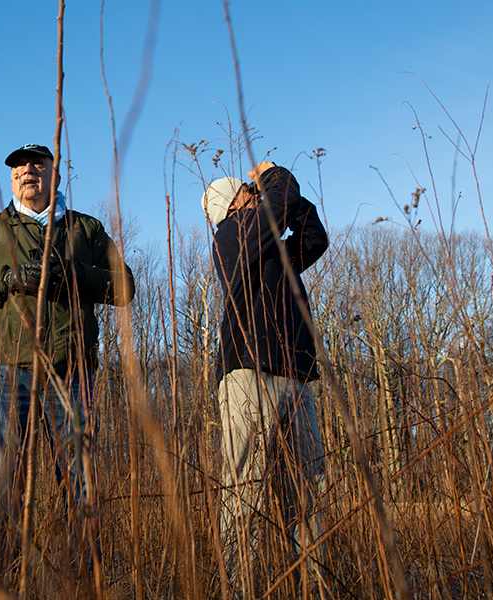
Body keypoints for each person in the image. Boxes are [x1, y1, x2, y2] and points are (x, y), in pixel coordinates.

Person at [0, 143, 135, 567]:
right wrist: (5, 279)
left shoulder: (86, 229)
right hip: (5, 374)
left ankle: (85, 581)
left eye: (37, 163)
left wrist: (76, 275)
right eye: (18, 166)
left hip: (72, 372)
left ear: (56, 175)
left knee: (81, 482)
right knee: (4, 481)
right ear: (11, 179)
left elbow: (125, 287)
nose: (27, 170)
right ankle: (1, 576)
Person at [202, 160, 328, 596]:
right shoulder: (231, 236)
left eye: (254, 189)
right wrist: (273, 175)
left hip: (295, 377)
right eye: (247, 191)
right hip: (247, 376)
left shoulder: (271, 246)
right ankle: (240, 590)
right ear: (231, 205)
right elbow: (279, 201)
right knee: (244, 494)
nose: (253, 194)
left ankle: (312, 587)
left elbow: (315, 237)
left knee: (308, 491)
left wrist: (289, 199)